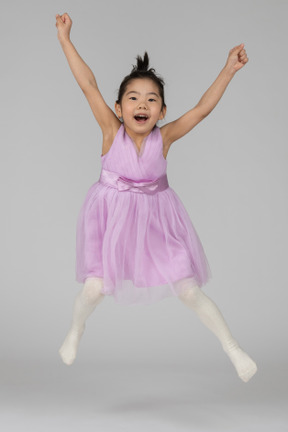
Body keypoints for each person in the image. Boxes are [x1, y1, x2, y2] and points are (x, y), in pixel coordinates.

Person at [55, 12, 257, 382]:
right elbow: (88, 85)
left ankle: (232, 347)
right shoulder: (109, 130)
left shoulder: (163, 138)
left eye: (152, 100)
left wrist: (228, 69)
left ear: (162, 111)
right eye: (133, 98)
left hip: (156, 222)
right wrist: (66, 39)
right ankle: (76, 329)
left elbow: (201, 110)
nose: (142, 105)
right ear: (119, 108)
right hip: (111, 217)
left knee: (189, 290)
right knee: (95, 288)